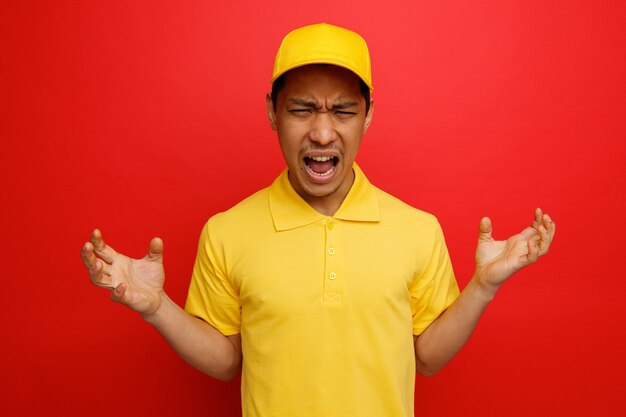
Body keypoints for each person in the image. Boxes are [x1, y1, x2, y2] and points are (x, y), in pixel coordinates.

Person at [81, 23, 555, 417]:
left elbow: (428, 356)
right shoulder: (227, 230)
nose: (323, 131)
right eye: (302, 109)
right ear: (272, 112)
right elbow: (227, 361)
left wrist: (484, 286)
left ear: (368, 116)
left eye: (343, 111)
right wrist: (156, 308)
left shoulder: (417, 228)